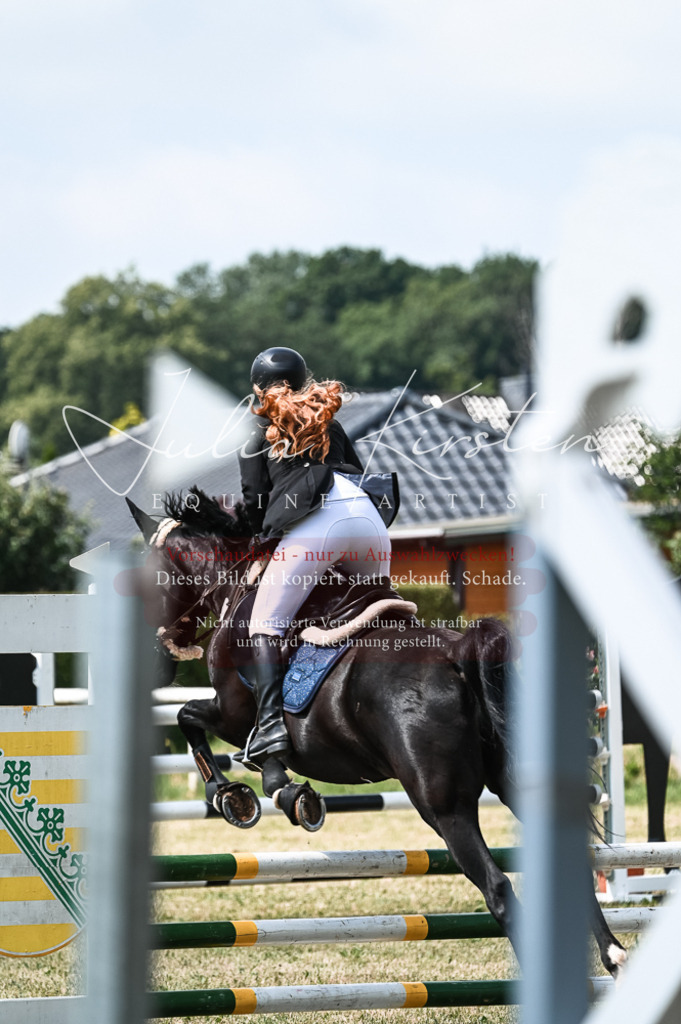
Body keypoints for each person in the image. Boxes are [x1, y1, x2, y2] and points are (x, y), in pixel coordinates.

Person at [236, 346, 396, 765]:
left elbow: (255, 500)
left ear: (258, 389)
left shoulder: (257, 431)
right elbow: (356, 471)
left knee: (265, 624)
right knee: (377, 610)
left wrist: (260, 548)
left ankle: (270, 727)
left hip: (317, 525)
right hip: (366, 519)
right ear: (302, 379)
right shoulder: (330, 422)